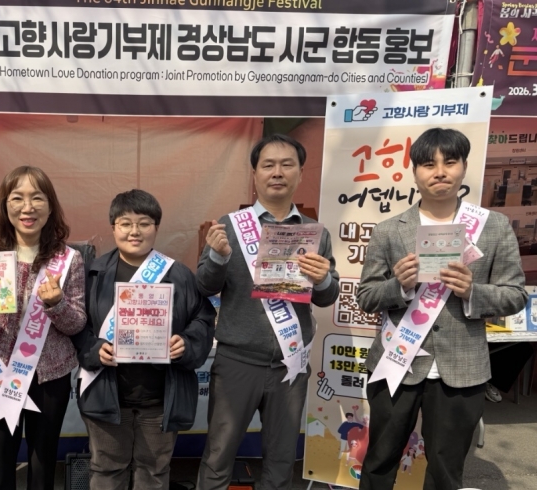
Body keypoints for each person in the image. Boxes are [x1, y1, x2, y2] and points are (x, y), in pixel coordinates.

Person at [357, 128, 527, 490]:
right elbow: (367, 296)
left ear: (464, 167)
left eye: (449, 162)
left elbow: (515, 295)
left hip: (462, 370)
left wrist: (472, 292)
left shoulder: (492, 227)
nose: (439, 172)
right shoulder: (389, 231)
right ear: (414, 172)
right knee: (378, 463)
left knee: (446, 472)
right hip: (396, 365)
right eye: (428, 164)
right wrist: (399, 285)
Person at [197, 134, 339, 490]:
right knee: (218, 456)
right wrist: (217, 257)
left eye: (287, 165)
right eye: (268, 165)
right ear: (255, 173)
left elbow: (327, 296)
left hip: (290, 365)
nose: (277, 172)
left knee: (280, 460)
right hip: (237, 362)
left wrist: (322, 279)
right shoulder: (230, 225)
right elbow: (204, 286)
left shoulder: (315, 232)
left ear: (300, 173)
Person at [72, 189, 215, 490]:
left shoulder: (179, 274)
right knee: (107, 471)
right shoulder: (93, 274)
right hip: (107, 392)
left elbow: (203, 318)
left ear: (156, 227)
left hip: (161, 398)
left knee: (154, 472)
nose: (134, 231)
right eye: (125, 223)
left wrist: (187, 343)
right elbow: (76, 324)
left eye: (144, 223)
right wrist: (94, 349)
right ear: (113, 228)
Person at [0, 166, 86, 490]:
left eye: (37, 198)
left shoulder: (69, 259)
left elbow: (77, 323)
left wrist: (57, 304)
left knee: (42, 465)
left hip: (49, 378)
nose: (27, 207)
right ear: (5, 205)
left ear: (50, 206)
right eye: (17, 198)